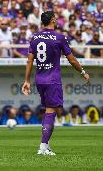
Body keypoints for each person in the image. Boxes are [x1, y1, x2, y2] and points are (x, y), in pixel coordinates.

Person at [22, 11, 90, 156]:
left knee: (48, 111)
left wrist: (27, 80)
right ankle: (43, 147)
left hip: (39, 79)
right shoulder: (59, 37)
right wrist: (83, 72)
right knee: (51, 112)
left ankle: (46, 146)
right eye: (56, 17)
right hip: (52, 80)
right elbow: (71, 59)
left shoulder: (34, 37)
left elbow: (29, 60)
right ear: (53, 20)